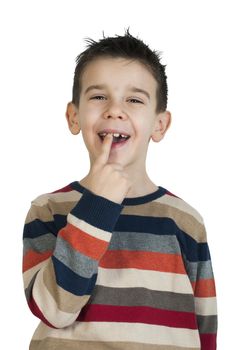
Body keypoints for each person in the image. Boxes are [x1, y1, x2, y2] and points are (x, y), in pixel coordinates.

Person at [22, 28, 217, 350]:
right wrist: (98, 204)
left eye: (134, 99)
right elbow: (54, 310)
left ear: (159, 124)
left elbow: (205, 324)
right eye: (99, 97)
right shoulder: (49, 210)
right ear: (74, 117)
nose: (115, 109)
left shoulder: (184, 220)